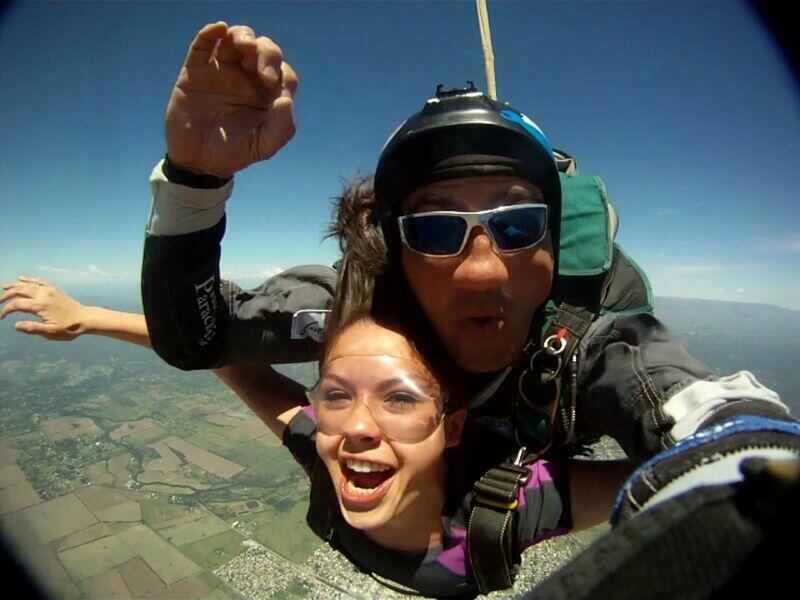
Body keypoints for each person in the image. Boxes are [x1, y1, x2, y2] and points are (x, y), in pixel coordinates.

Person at [140, 22, 799, 592]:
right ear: (396, 252)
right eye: (434, 230)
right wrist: (195, 179)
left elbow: (691, 401)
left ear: (552, 248)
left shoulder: (584, 337)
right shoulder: (363, 306)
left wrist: (745, 469)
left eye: (518, 225)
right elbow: (197, 337)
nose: (482, 270)